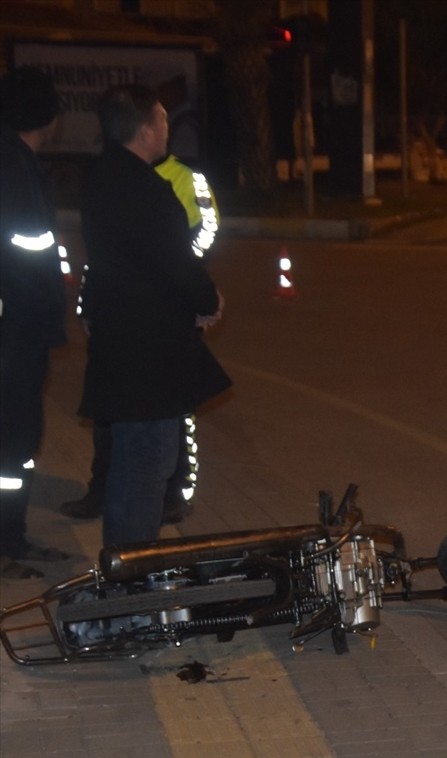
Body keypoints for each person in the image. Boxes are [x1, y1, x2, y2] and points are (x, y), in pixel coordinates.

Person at [78, 84, 230, 548]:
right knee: (147, 464)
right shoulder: (145, 187)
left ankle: (124, 566)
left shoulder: (101, 177)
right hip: (148, 353)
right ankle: (130, 573)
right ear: (145, 130)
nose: (168, 127)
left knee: (133, 461)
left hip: (120, 340)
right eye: (162, 119)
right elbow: (174, 260)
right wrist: (207, 301)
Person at [61, 151, 221, 524]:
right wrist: (87, 303)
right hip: (129, 313)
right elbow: (100, 252)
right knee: (111, 414)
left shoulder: (185, 177)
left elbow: (208, 228)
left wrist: (174, 271)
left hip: (170, 304)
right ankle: (101, 490)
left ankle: (175, 495)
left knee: (174, 414)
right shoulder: (116, 175)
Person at [0, 66, 71, 579]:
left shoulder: (14, 159)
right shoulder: (15, 167)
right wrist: (49, 319)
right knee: (14, 442)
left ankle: (11, 538)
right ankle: (6, 543)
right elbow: (30, 256)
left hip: (16, 330)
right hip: (14, 334)